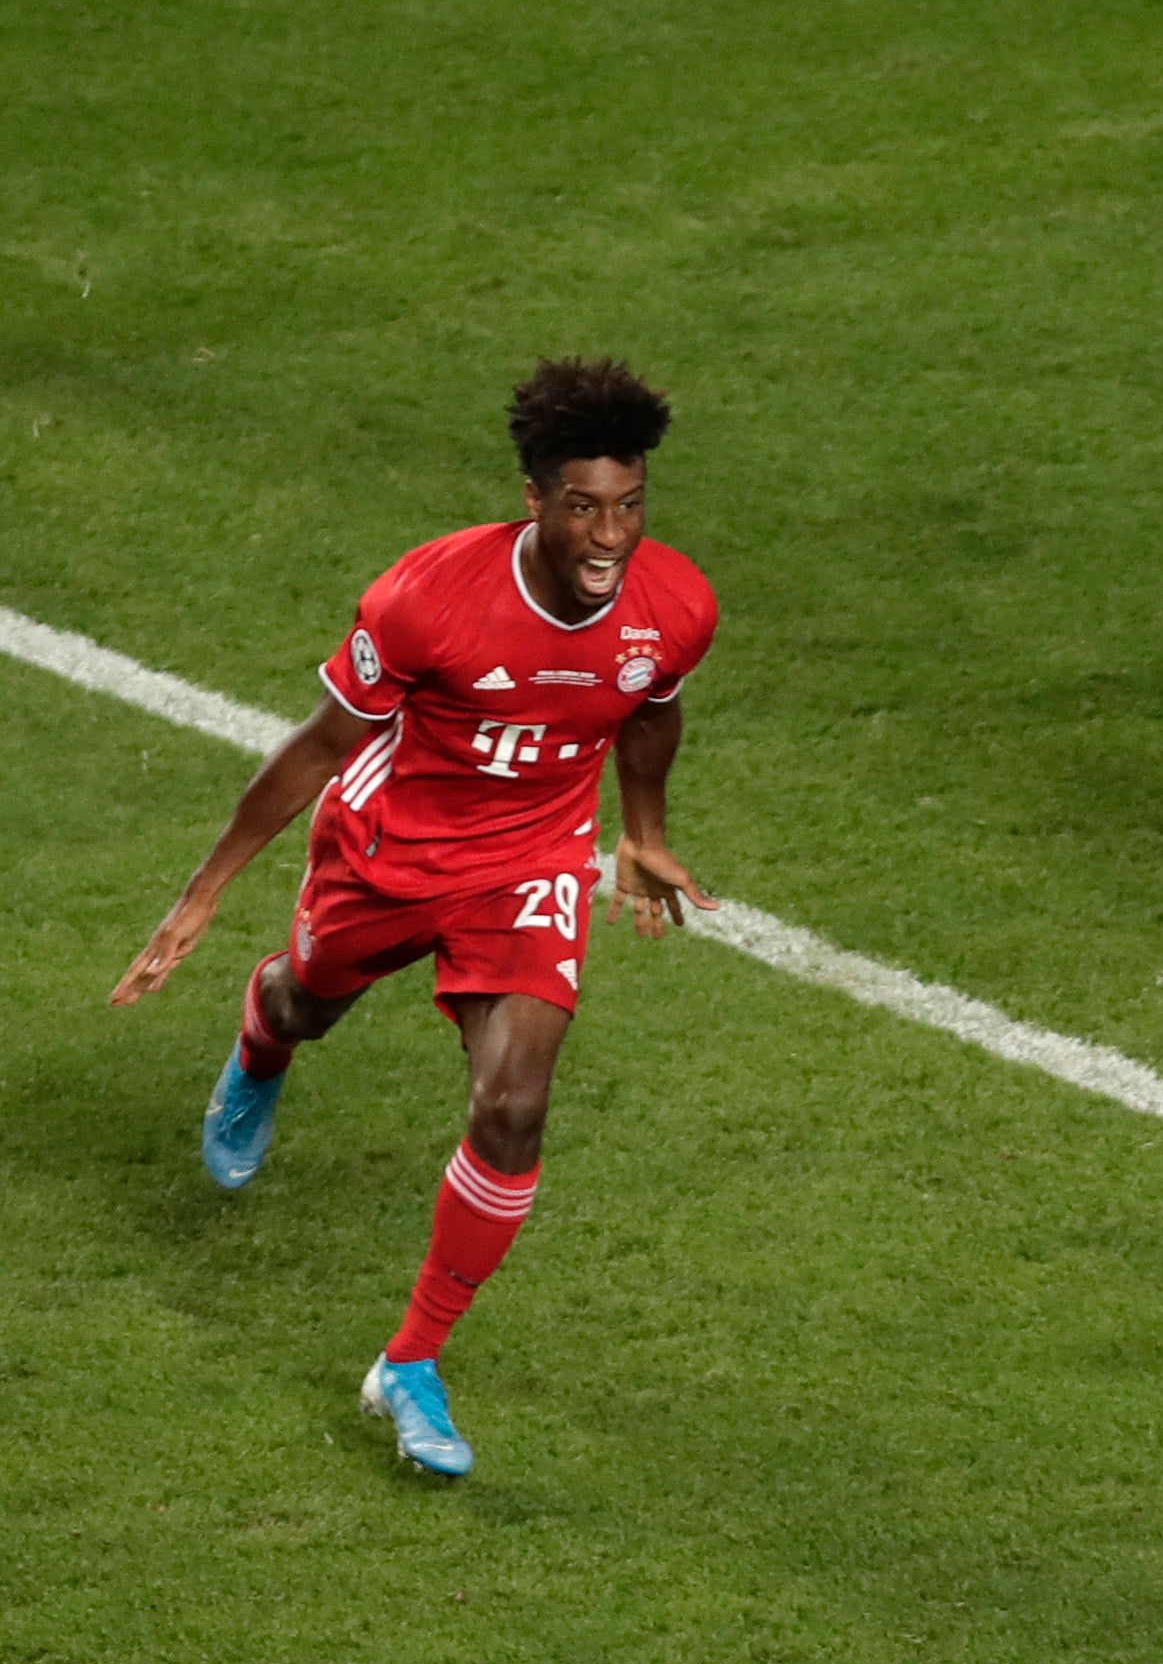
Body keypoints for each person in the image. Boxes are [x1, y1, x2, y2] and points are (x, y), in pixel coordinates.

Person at [106, 359, 721, 1474]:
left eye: (630, 505)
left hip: (530, 863)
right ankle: (261, 1041)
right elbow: (318, 745)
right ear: (533, 497)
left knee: (514, 1104)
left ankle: (411, 1359)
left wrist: (641, 828)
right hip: (389, 851)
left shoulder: (674, 603)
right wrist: (203, 890)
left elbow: (648, 711)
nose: (609, 537)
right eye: (583, 507)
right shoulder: (429, 597)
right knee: (307, 1000)